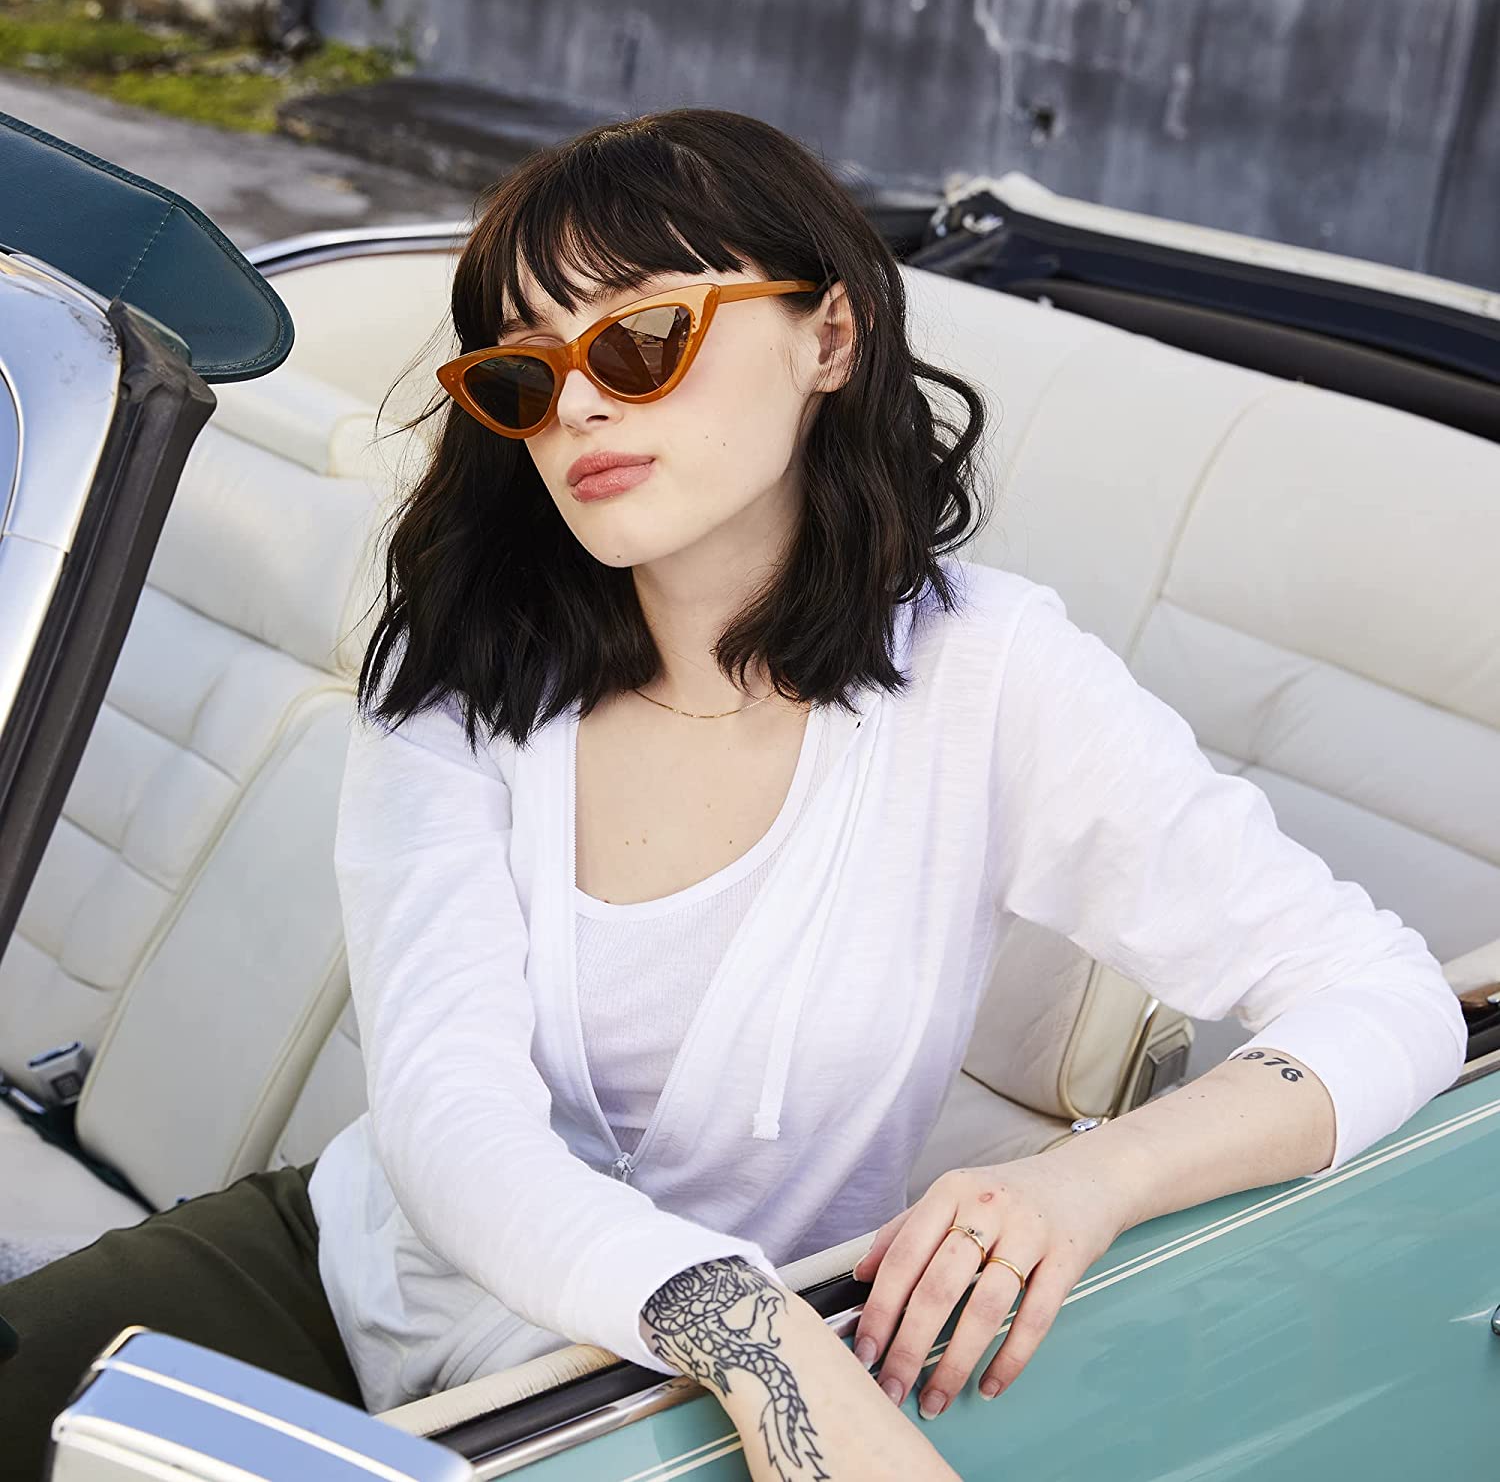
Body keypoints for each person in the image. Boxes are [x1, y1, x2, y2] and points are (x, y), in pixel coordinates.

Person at [0, 107, 1468, 1481]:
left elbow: (1380, 992)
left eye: (643, 339)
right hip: (360, 1284)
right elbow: (449, 1122)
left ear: (830, 336)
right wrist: (758, 1341)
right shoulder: (458, 675)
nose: (579, 406)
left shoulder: (996, 677)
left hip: (635, 1409)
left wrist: (1081, 1187)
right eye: (523, 376)